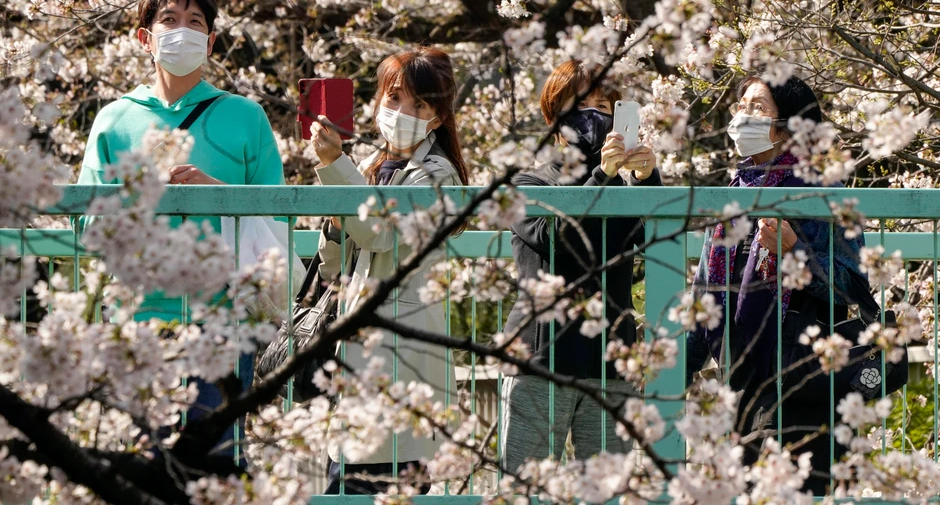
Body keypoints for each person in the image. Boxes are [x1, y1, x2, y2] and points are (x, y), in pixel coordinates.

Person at [77, 0, 286, 458]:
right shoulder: (114, 119)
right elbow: (87, 222)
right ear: (144, 37)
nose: (182, 32)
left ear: (211, 42)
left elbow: (277, 216)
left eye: (195, 23)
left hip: (226, 324)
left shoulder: (246, 116)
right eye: (168, 20)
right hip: (136, 322)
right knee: (138, 470)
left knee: (212, 467)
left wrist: (219, 195)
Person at [686, 75, 867, 495]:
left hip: (799, 374)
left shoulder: (822, 190)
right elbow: (705, 291)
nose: (741, 116)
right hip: (737, 373)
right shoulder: (736, 190)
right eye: (741, 105)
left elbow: (853, 287)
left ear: (790, 125)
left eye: (758, 107)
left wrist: (794, 253)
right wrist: (681, 365)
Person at [311, 47, 469, 495]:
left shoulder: (436, 175)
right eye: (395, 98)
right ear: (379, 101)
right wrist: (337, 217)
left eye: (420, 104)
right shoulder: (370, 167)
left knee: (382, 480)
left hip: (400, 358)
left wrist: (334, 168)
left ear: (437, 118)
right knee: (345, 482)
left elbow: (381, 237)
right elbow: (335, 263)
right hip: (359, 347)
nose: (403, 111)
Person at [500, 59, 662, 474]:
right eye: (582, 104)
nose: (595, 115)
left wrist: (646, 181)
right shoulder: (528, 183)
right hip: (541, 360)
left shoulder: (623, 190)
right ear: (555, 117)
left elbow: (657, 238)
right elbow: (557, 238)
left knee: (609, 490)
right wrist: (603, 176)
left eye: (605, 106)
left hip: (611, 362)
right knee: (527, 489)